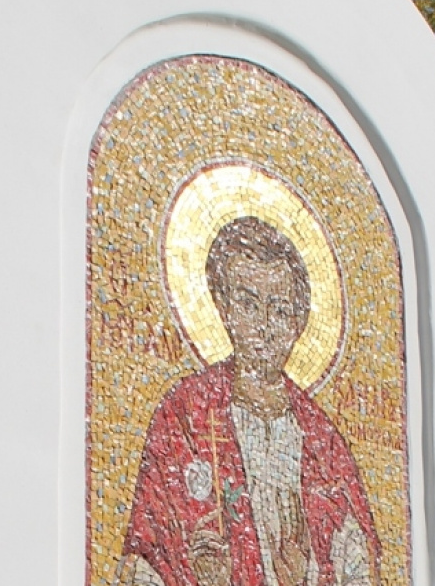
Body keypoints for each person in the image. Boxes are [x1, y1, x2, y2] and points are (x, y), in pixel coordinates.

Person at [119, 216, 381, 586]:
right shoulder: (184, 415)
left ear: (299, 322)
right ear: (223, 308)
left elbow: (358, 568)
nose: (264, 326)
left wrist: (304, 577)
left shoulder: (323, 443)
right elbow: (146, 559)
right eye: (248, 304)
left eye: (280, 309)